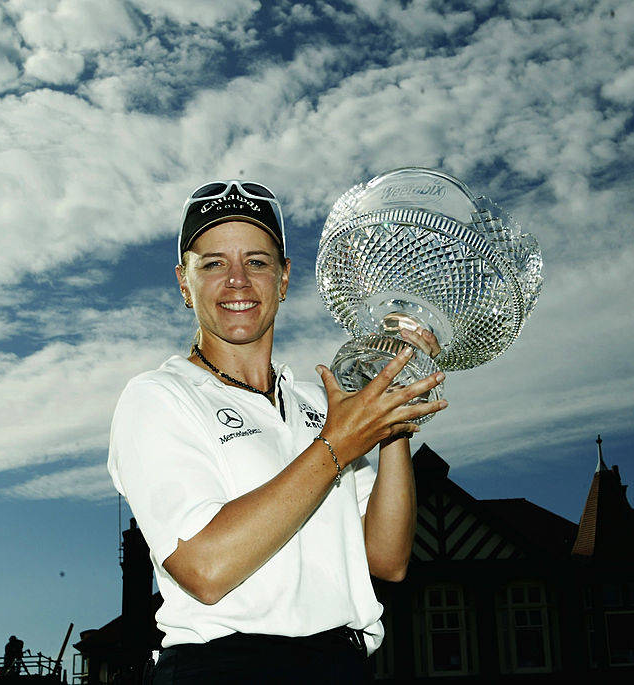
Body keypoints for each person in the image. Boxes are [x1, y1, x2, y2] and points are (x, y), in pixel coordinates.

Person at [108, 179, 447, 682]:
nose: (238, 281)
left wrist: (392, 416)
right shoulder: (158, 397)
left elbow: (387, 558)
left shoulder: (319, 402)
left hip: (343, 663)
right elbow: (205, 569)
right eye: (214, 263)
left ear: (284, 279)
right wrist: (339, 445)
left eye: (258, 262)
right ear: (184, 282)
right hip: (223, 667)